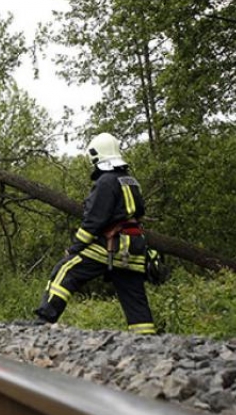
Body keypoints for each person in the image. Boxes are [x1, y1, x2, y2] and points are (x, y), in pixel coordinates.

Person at [32, 133, 156, 335]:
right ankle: (146, 339)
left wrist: (74, 249)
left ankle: (44, 320)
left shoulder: (106, 182)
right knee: (134, 296)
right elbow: (139, 212)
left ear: (97, 156)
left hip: (112, 245)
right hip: (134, 246)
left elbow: (93, 222)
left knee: (66, 269)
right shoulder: (131, 181)